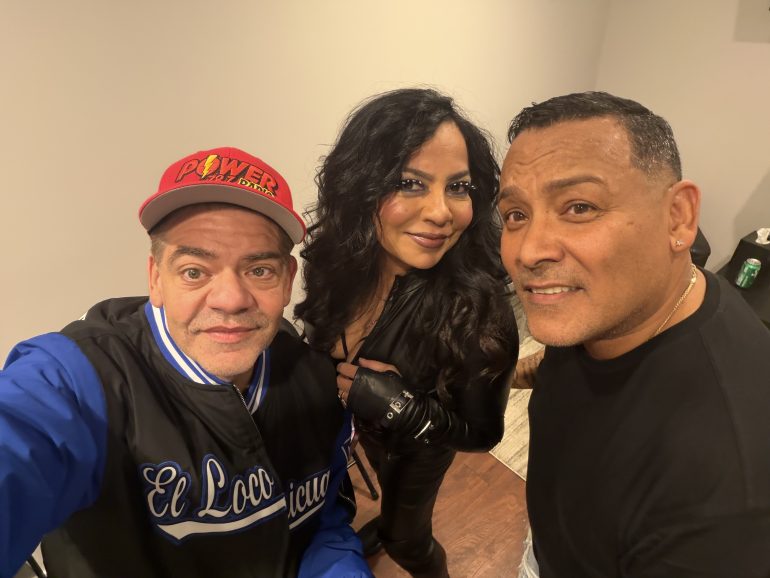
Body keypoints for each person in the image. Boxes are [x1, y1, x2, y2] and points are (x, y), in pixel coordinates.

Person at [0, 147, 372, 578]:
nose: (231, 300)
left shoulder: (311, 376)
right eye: (195, 271)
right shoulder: (80, 378)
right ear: (156, 279)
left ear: (288, 280)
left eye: (259, 270)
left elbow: (324, 524)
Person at [498, 91, 770, 577]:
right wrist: (496, 376)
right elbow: (564, 369)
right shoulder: (609, 310)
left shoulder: (725, 495)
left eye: (579, 207)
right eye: (516, 215)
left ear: (678, 216)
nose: (528, 251)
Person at [295, 88, 519, 577]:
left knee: (406, 539)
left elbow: (483, 433)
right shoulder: (333, 263)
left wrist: (403, 407)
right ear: (360, 186)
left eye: (458, 187)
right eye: (410, 183)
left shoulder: (478, 312)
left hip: (419, 445)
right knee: (379, 498)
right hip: (360, 434)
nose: (441, 212)